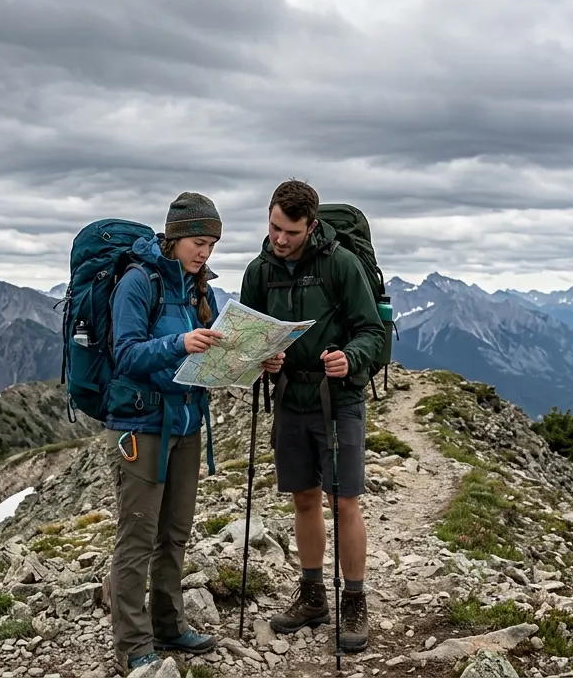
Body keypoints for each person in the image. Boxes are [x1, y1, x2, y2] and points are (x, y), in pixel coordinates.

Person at [238, 178, 387, 653]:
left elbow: (371, 330)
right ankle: (312, 595)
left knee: (344, 500)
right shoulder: (260, 271)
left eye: (291, 233)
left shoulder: (340, 264)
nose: (280, 239)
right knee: (304, 497)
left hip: (337, 396)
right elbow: (250, 336)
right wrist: (264, 359)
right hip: (289, 397)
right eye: (274, 227)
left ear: (312, 226)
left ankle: (355, 600)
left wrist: (351, 358)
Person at [104, 192, 227, 674]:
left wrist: (253, 360)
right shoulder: (137, 283)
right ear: (174, 237)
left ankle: (170, 624)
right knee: (138, 534)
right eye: (199, 242)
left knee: (174, 532)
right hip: (142, 425)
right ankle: (133, 644)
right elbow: (126, 354)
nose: (205, 254)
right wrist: (180, 342)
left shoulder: (201, 290)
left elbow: (209, 357)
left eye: (212, 245)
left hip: (186, 422)